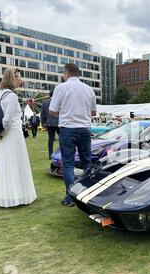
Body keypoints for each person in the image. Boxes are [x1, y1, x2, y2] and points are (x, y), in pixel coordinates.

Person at [49, 63, 97, 207]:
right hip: (84, 128)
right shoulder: (89, 89)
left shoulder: (61, 88)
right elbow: (93, 113)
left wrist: (65, 113)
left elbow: (52, 110)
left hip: (68, 128)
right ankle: (88, 193)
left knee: (68, 164)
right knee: (86, 162)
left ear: (67, 73)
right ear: (78, 74)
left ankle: (70, 197)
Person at [0, 68, 37, 208]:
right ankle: (17, 195)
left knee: (6, 164)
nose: (21, 80)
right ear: (13, 78)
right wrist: (2, 133)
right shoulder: (11, 96)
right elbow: (6, 119)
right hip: (11, 134)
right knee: (15, 163)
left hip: (5, 135)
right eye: (19, 78)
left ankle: (8, 195)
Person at [41, 89, 60, 159]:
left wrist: (43, 123)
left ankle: (50, 155)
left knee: (50, 139)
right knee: (61, 139)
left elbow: (42, 114)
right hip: (58, 123)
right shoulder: (58, 102)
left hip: (49, 123)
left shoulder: (45, 102)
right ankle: (61, 153)